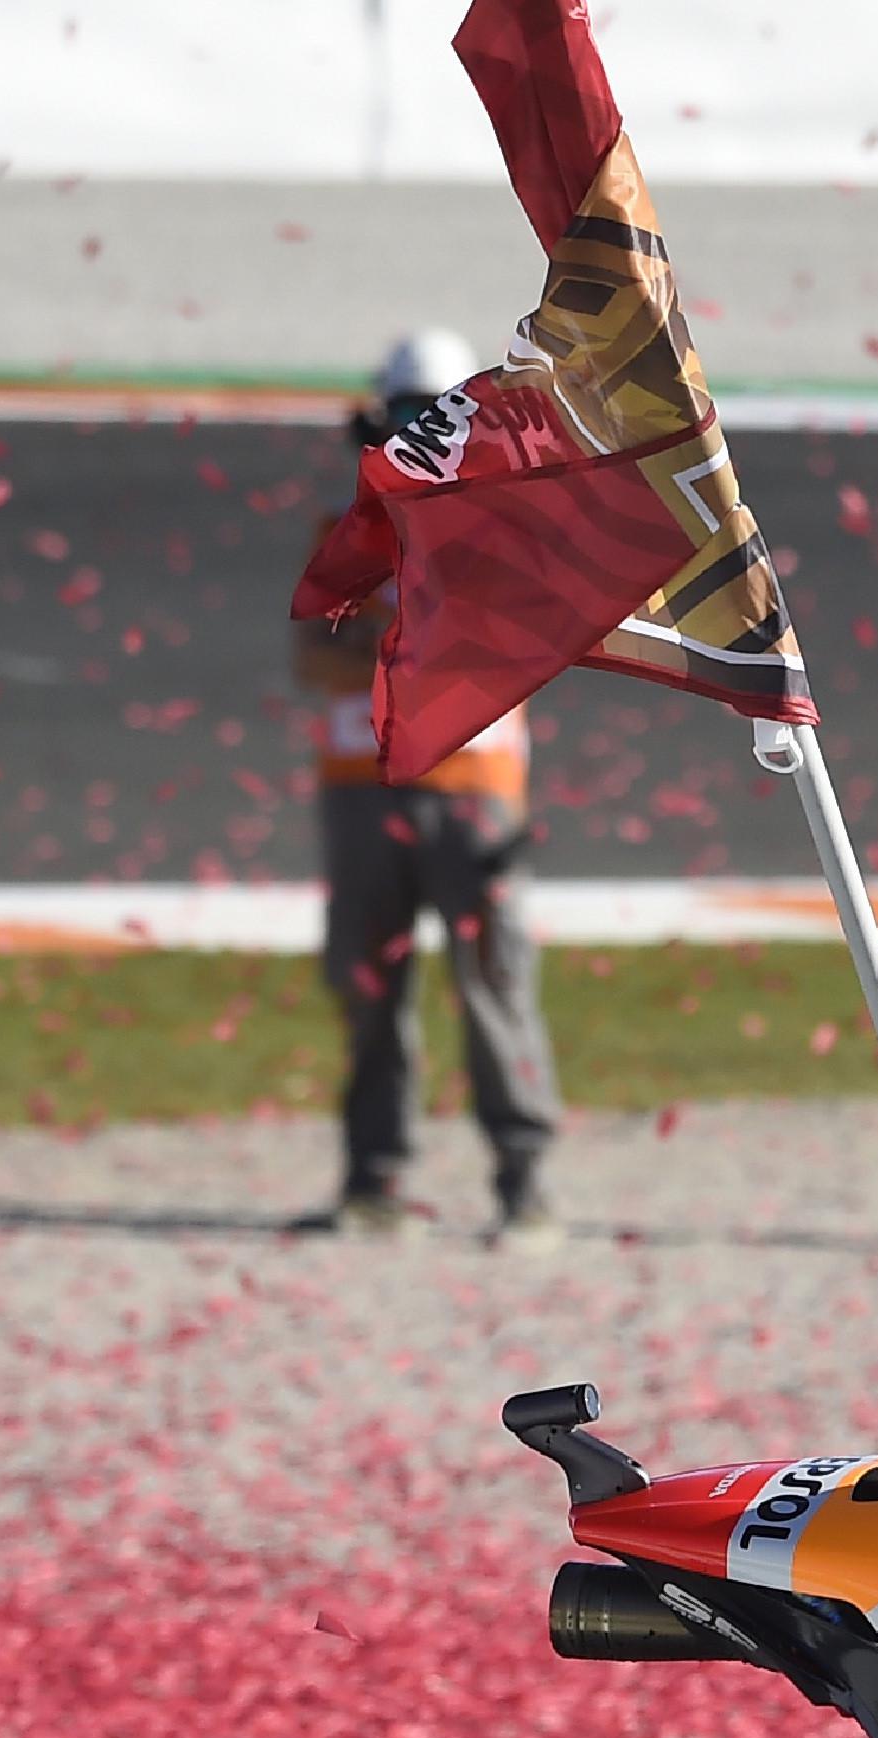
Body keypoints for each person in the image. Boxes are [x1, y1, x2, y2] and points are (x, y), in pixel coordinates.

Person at [291, 327, 560, 1248]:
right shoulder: (344, 526)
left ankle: (526, 1187)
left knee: (494, 985)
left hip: (472, 784)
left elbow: (506, 646)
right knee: (370, 990)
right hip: (362, 784)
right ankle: (374, 1183)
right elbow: (313, 656)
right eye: (406, 416)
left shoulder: (504, 523)